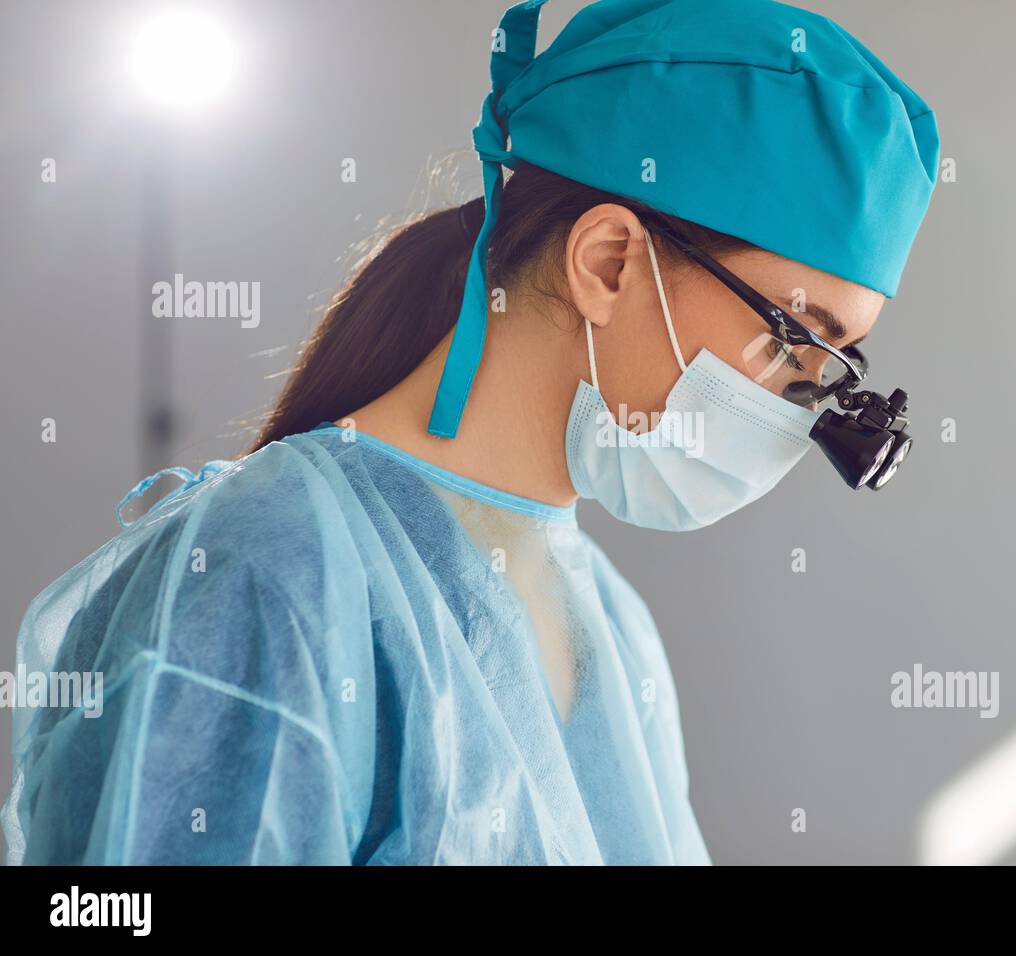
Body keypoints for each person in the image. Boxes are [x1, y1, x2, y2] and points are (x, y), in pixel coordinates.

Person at [2, 0, 938, 864]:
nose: (803, 404)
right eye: (797, 339)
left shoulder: (608, 621)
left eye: (831, 368)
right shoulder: (264, 574)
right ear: (609, 262)